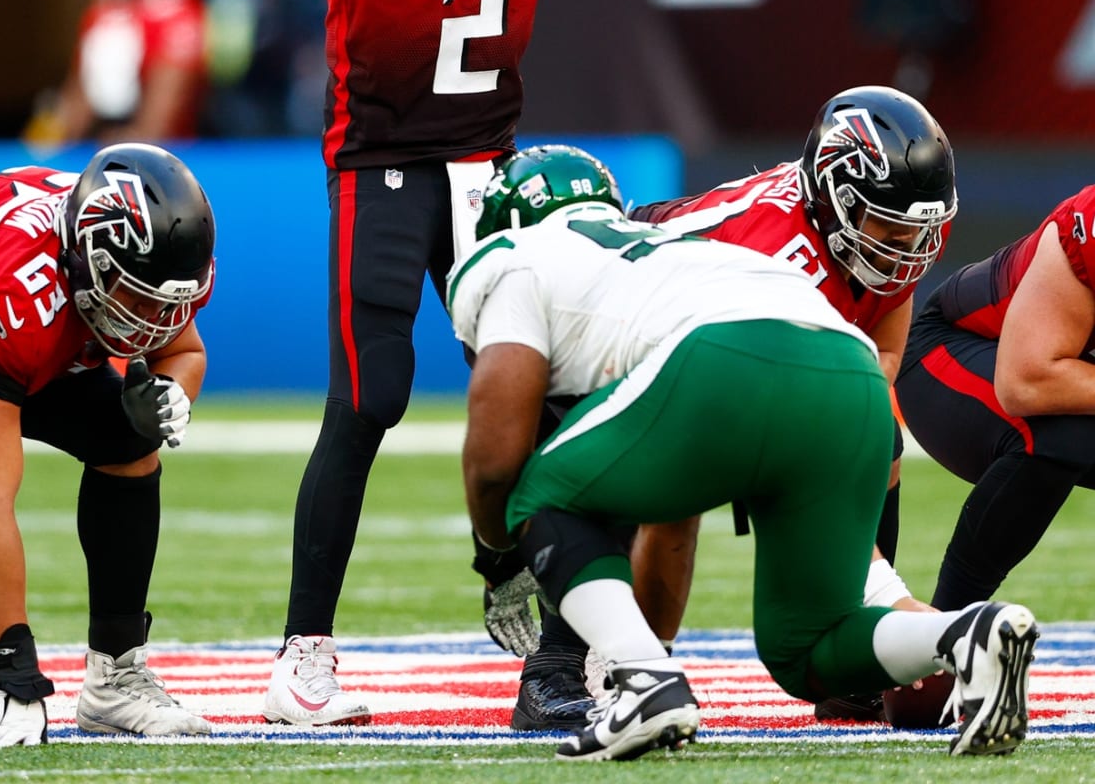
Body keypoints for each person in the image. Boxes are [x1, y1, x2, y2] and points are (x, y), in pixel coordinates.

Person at [259, 0, 710, 728]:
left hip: (494, 172)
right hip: (382, 161)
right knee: (367, 400)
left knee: (558, 411)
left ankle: (554, 664)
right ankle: (302, 657)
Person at [447, 144, 1037, 762]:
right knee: (805, 650)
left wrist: (498, 559)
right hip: (851, 377)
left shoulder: (514, 257)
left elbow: (493, 461)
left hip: (728, 357)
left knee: (540, 487)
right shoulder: (685, 246)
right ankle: (960, 632)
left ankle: (638, 678)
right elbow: (670, 516)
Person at [629, 84, 957, 722]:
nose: (906, 249)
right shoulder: (771, 256)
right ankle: (583, 666)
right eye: (889, 225)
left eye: (919, 231)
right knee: (666, 495)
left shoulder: (871, 250)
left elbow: (879, 364)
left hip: (739, 345)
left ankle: (847, 652)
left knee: (873, 433)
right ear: (834, 198)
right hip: (641, 311)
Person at [0, 142, 216, 745]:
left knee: (129, 441)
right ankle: (9, 681)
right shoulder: (14, 296)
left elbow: (182, 349)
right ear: (88, 259)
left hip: (10, 310)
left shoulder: (148, 252)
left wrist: (172, 396)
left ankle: (115, 680)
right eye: (136, 295)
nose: (150, 317)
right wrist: (14, 677)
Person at [894, 181, 1095, 613]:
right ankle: (945, 638)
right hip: (951, 352)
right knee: (1066, 431)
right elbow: (1030, 381)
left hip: (1043, 370)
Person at [31, 0, 207, 146]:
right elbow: (82, 85)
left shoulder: (172, 5)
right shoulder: (104, 9)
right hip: (105, 140)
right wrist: (52, 141)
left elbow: (172, 79)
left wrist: (143, 136)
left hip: (168, 148)